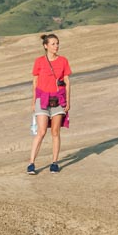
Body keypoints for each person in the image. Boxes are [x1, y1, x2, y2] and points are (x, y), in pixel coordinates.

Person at [27, 33, 71, 174]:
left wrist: (68, 102)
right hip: (43, 99)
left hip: (58, 100)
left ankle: (54, 163)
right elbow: (35, 82)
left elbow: (67, 82)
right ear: (46, 46)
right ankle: (31, 163)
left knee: (55, 132)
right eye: (53, 44)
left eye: (57, 43)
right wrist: (34, 101)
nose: (56, 46)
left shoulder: (63, 61)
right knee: (41, 132)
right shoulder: (39, 61)